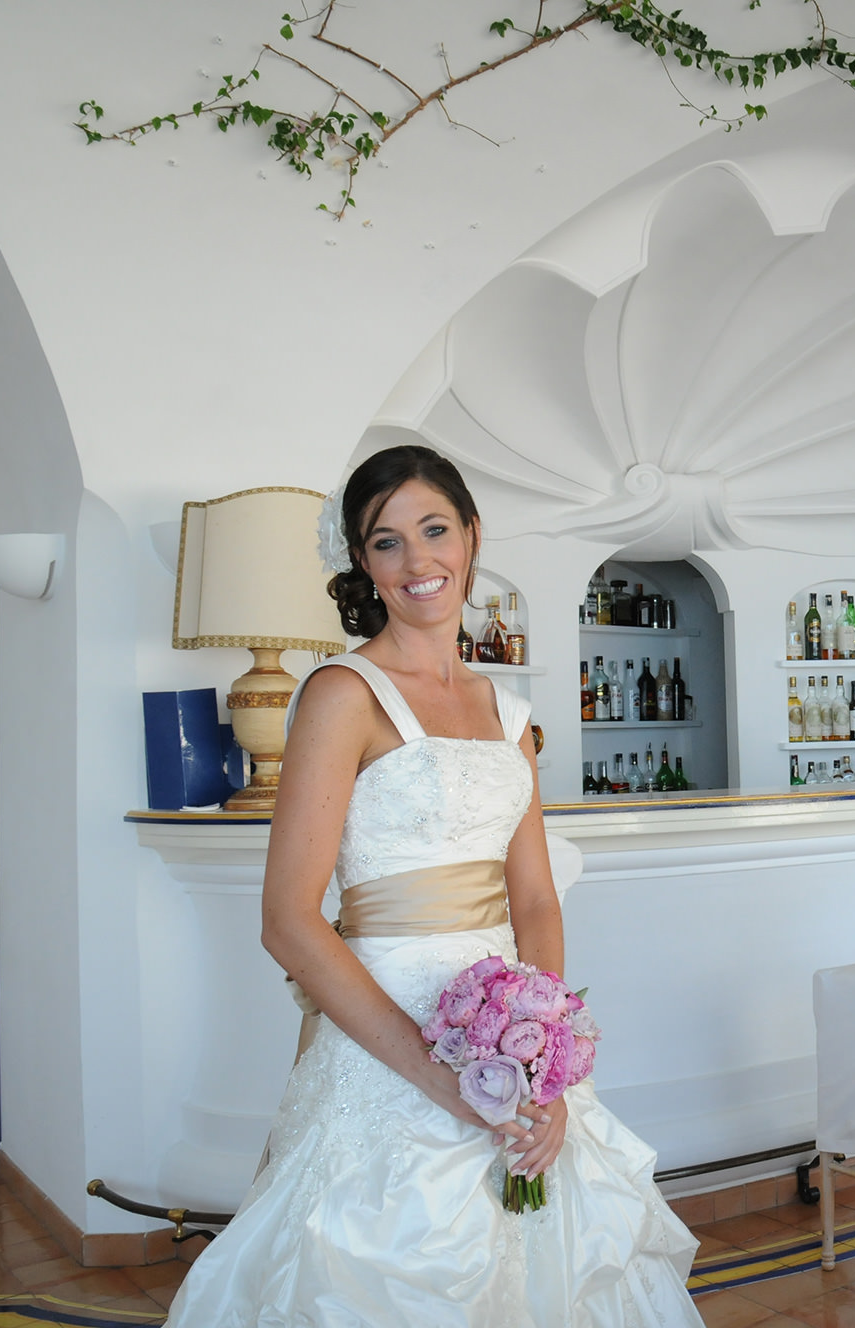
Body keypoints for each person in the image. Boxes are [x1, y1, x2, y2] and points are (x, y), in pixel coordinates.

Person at [164, 445, 701, 1326]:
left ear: (471, 536)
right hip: (389, 1043)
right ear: (362, 565)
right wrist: (447, 1082)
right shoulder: (341, 694)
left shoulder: (510, 713)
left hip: (510, 1040)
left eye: (434, 530)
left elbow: (532, 901)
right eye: (386, 542)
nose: (418, 562)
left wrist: (545, 1064)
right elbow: (291, 922)